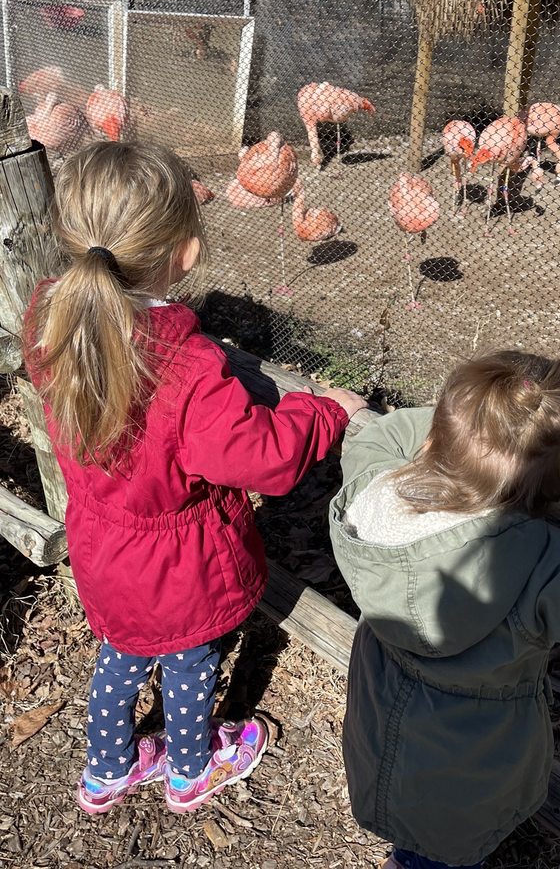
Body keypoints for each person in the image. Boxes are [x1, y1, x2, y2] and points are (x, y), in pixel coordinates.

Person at [23, 141, 366, 816]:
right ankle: (189, 770)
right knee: (187, 662)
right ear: (185, 252)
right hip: (180, 569)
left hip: (103, 551)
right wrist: (324, 410)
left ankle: (106, 771)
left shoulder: (51, 319)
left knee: (121, 652)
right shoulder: (188, 369)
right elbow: (263, 457)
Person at [328, 351, 560, 869]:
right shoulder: (540, 561)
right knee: (447, 848)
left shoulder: (373, 495)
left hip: (381, 728)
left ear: (437, 438)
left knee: (414, 826)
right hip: (473, 765)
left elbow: (378, 436)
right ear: (547, 477)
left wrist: (461, 429)